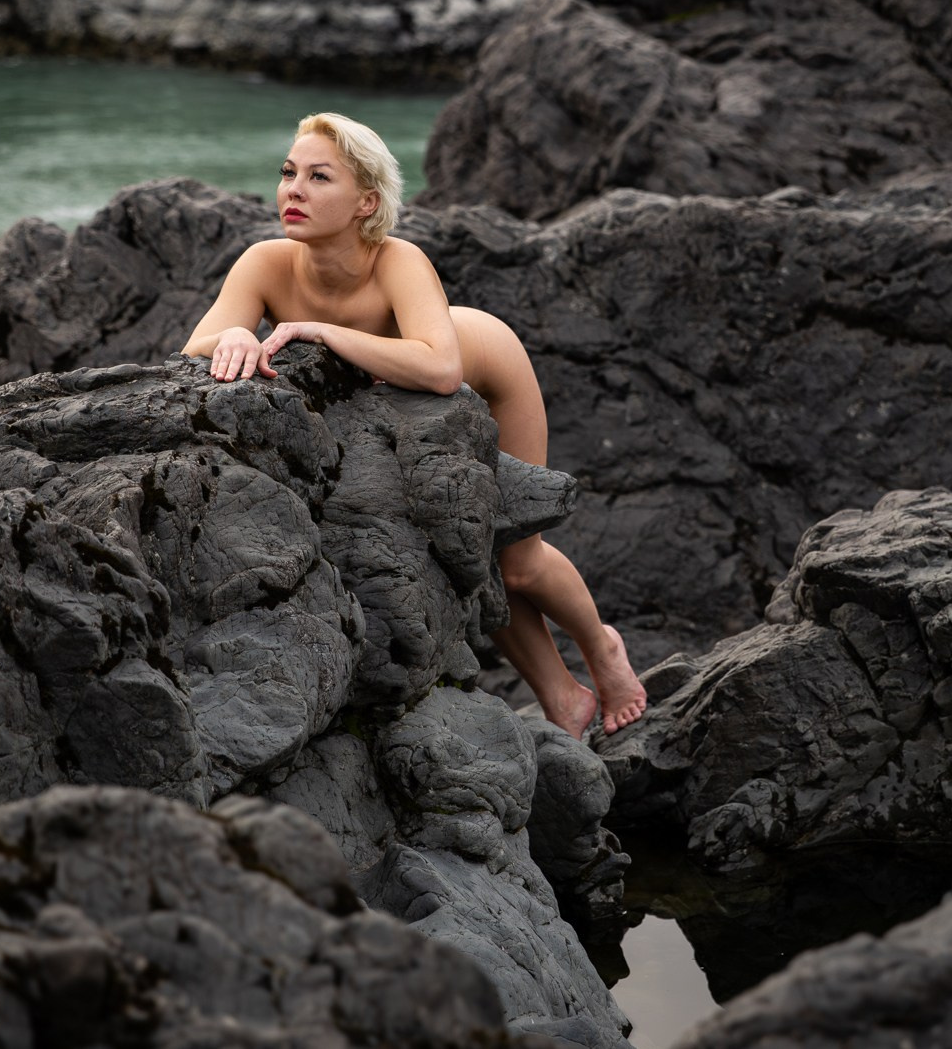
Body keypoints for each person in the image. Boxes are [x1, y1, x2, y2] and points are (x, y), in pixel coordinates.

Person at [182, 112, 648, 737]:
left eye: (319, 177)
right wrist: (235, 331)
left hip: (490, 370)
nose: (293, 190)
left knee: (518, 559)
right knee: (469, 556)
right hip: (403, 408)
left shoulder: (396, 259)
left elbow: (440, 367)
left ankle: (604, 649)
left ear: (365, 202)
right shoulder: (266, 262)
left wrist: (323, 332)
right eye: (289, 173)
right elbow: (197, 348)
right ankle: (563, 697)